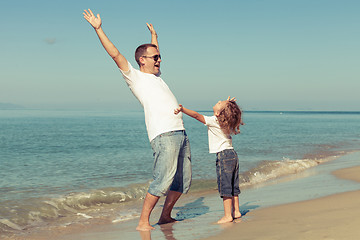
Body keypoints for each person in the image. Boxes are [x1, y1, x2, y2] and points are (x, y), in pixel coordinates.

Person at [83, 9, 192, 231]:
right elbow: (115, 55)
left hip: (180, 132)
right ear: (142, 61)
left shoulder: (157, 77)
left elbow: (155, 52)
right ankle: (143, 221)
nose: (160, 59)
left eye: (159, 56)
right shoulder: (136, 78)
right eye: (155, 57)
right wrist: (98, 29)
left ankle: (165, 217)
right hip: (164, 135)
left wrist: (155, 37)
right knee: (162, 180)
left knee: (182, 183)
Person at [174, 97, 243, 223]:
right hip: (233, 154)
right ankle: (236, 211)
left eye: (219, 103)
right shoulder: (226, 122)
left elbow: (196, 115)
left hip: (223, 156)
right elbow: (226, 112)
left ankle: (228, 215)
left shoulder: (214, 120)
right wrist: (228, 105)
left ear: (218, 113)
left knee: (226, 187)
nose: (218, 101)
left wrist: (183, 109)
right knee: (233, 186)